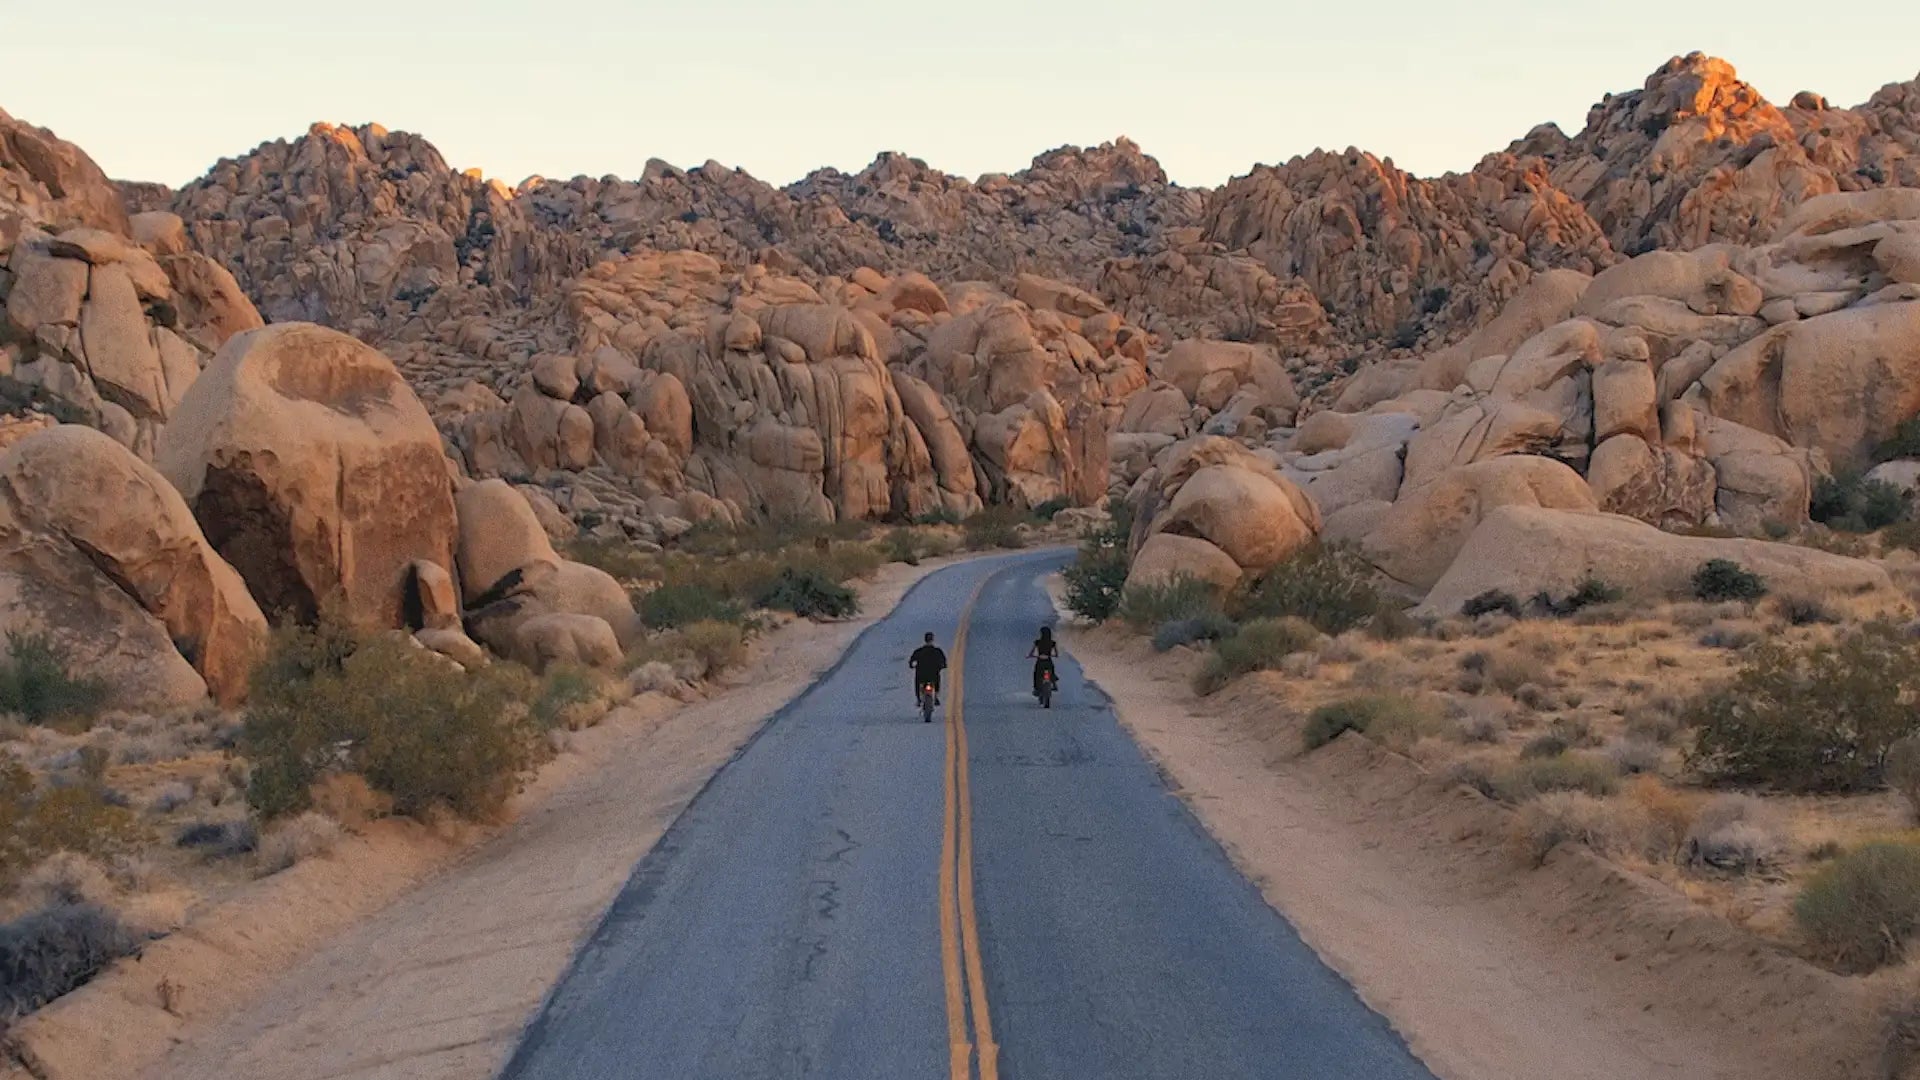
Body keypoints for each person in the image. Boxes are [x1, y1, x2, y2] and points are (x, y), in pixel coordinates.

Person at [909, 632, 947, 712]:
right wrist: (942, 666)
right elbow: (944, 661)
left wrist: (912, 665)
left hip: (921, 675)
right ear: (932, 639)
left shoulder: (919, 651)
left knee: (917, 683)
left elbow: (911, 660)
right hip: (933, 675)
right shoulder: (937, 651)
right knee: (937, 680)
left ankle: (919, 699)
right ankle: (936, 696)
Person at [1028, 626, 1059, 698]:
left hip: (1040, 661)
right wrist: (1053, 655)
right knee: (1051, 671)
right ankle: (1054, 684)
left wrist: (1031, 655)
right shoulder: (1052, 643)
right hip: (1048, 661)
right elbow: (1057, 654)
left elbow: (1031, 652)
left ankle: (1036, 688)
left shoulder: (1037, 642)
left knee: (1036, 674)